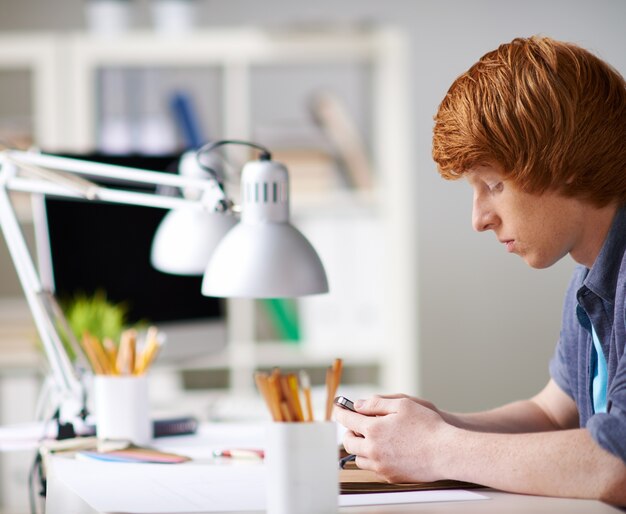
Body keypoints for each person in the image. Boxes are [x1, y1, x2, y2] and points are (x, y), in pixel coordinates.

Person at [334, 35, 626, 504]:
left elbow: (616, 463)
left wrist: (437, 449)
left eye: (493, 184)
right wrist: (432, 425)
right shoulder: (591, 277)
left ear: (566, 164)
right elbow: (553, 414)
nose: (479, 219)